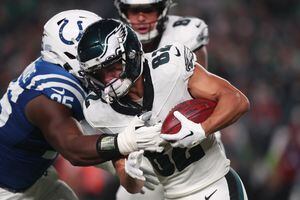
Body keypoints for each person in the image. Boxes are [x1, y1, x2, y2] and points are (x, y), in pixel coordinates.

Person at [78, 19, 250, 200]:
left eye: (112, 67)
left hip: (214, 185)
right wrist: (131, 174)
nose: (107, 80)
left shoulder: (170, 66)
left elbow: (237, 101)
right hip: (172, 195)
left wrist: (202, 129)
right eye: (98, 74)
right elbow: (132, 185)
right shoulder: (100, 111)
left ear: (131, 54)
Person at [0, 11, 162, 200]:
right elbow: (73, 148)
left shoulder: (67, 71)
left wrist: (117, 160)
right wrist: (124, 142)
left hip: (35, 176)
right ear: (70, 53)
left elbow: (87, 125)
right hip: (7, 189)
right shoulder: (48, 94)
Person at [113, 1, 217, 199]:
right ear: (123, 11)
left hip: (191, 134)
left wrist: (200, 129)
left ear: (162, 9)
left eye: (148, 9)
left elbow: (202, 100)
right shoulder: (110, 41)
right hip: (143, 145)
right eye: (134, 11)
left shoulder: (185, 33)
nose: (141, 17)